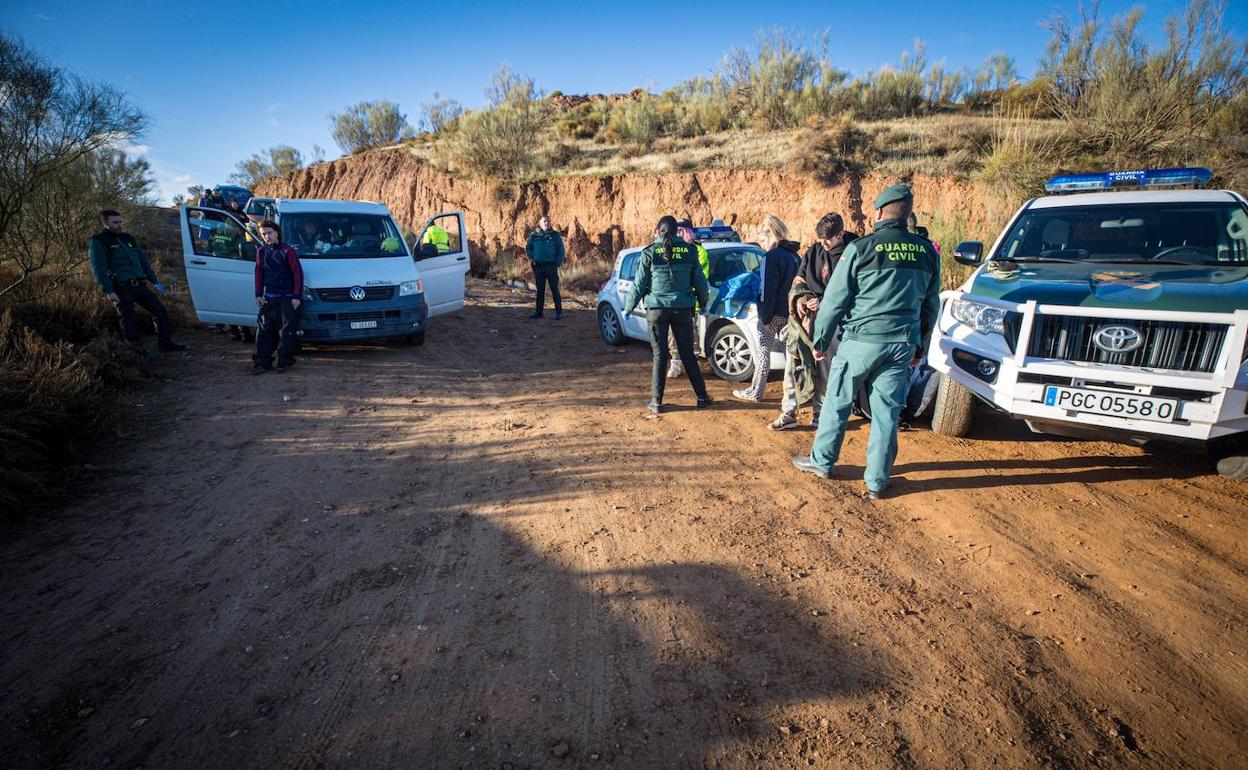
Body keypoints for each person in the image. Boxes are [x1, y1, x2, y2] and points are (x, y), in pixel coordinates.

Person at [791, 184, 941, 500]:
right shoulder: (926, 251)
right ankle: (877, 482)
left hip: (861, 340)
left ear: (879, 212)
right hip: (902, 343)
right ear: (908, 213)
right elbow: (930, 305)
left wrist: (820, 340)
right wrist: (919, 345)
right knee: (886, 413)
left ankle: (822, 461)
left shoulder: (861, 248)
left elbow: (834, 300)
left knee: (837, 401)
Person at [770, 212, 858, 431]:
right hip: (804, 321)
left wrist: (825, 302)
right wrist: (801, 298)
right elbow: (798, 280)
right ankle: (789, 412)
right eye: (820, 239)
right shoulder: (814, 251)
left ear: (840, 234)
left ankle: (820, 414)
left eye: (828, 239)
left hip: (836, 322)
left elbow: (856, 291)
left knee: (825, 370)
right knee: (793, 365)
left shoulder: (854, 252)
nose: (823, 244)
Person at [624, 215, 714, 414]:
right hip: (682, 309)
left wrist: (628, 307)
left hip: (656, 310)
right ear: (677, 232)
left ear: (658, 232)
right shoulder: (690, 251)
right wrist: (703, 304)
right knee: (688, 354)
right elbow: (700, 282)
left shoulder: (649, 252)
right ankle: (702, 397)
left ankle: (656, 401)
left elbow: (639, 284)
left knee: (660, 355)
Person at [88, 209, 186, 353]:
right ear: (105, 223)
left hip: (139, 285)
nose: (119, 225)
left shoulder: (127, 238)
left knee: (160, 312)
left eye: (120, 222)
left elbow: (142, 261)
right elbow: (99, 268)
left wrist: (154, 280)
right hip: (121, 287)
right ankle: (136, 353)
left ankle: (166, 345)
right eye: (115, 223)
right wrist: (108, 290)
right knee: (129, 321)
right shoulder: (99, 241)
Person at [732, 214, 800, 402]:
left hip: (774, 313)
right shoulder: (794, 256)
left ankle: (756, 390)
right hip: (792, 312)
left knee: (763, 352)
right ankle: (797, 392)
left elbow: (767, 290)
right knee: (791, 354)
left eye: (762, 240)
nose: (761, 244)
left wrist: (765, 318)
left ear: (770, 235)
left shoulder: (771, 257)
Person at [251, 220, 304, 374]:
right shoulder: (261, 252)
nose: (267, 236)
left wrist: (296, 296)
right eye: (264, 234)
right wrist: (258, 294)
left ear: (276, 233)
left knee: (287, 333)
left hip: (286, 297)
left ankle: (284, 361)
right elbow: (259, 274)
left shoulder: (288, 251)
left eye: (269, 232)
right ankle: (262, 362)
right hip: (269, 297)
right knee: (264, 331)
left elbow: (297, 274)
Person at [666, 219, 710, 378]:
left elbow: (700, 278)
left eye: (682, 230)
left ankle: (694, 363)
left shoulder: (699, 251)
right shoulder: (673, 249)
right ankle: (675, 363)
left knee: (691, 333)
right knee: (672, 333)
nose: (679, 234)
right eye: (677, 230)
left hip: (690, 301)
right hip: (674, 300)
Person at [525, 215, 565, 319]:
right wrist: (533, 257)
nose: (546, 223)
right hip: (539, 267)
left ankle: (559, 313)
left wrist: (557, 263)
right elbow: (529, 248)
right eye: (544, 221)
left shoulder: (555, 235)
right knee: (540, 290)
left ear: (550, 223)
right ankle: (539, 313)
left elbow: (561, 250)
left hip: (551, 266)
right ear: (540, 223)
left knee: (554, 289)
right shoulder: (534, 235)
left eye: (548, 221)